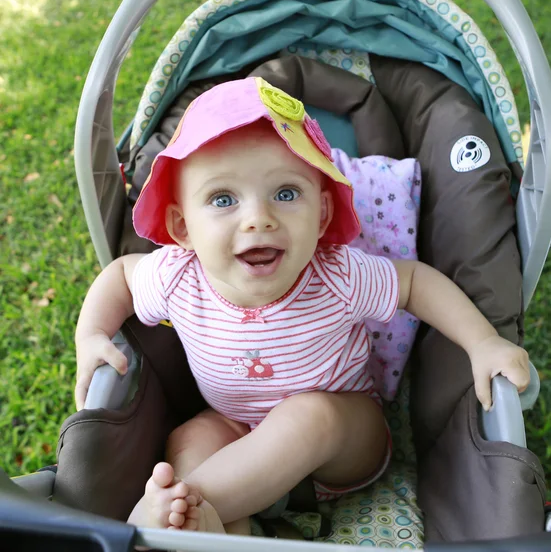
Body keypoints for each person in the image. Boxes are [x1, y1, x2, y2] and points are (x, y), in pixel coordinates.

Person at [74, 77, 530, 535]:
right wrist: (90, 335)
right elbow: (120, 278)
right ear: (182, 226)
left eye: (286, 194)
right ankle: (216, 529)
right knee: (190, 437)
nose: (258, 218)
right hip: (237, 429)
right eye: (223, 199)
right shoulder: (178, 275)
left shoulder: (336, 274)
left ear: (323, 216)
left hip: (344, 443)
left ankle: (183, 513)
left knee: (307, 416)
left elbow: (413, 284)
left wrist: (482, 342)